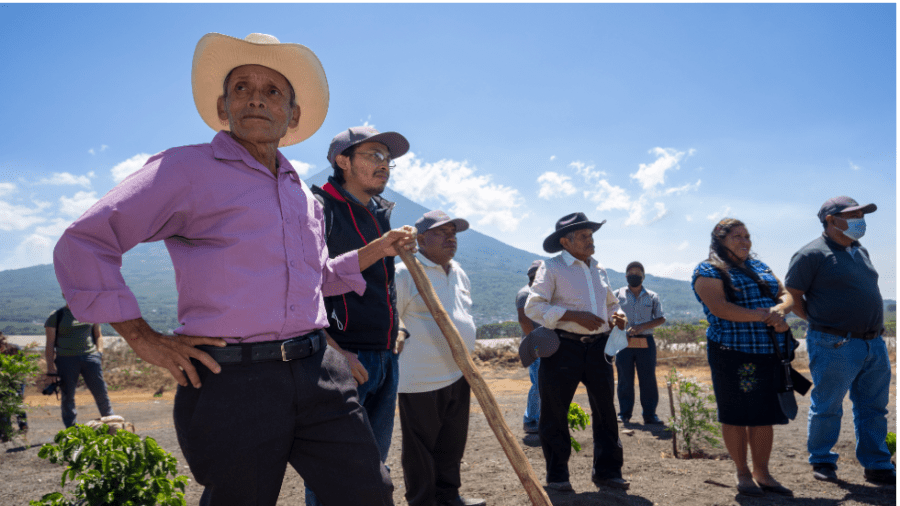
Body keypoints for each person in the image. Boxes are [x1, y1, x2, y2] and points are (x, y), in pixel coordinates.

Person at [52, 32, 416, 506]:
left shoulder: (300, 193)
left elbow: (316, 276)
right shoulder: (185, 170)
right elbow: (85, 241)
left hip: (318, 370)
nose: (255, 100)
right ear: (223, 108)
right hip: (232, 381)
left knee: (369, 492)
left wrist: (380, 248)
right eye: (241, 88)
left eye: (272, 91)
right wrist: (143, 338)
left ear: (293, 115)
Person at [305, 125, 411, 506]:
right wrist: (334, 353)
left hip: (384, 357)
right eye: (375, 156)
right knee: (332, 472)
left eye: (389, 160)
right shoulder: (318, 208)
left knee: (371, 467)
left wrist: (397, 330)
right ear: (342, 161)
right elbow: (307, 284)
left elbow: (381, 285)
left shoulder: (378, 214)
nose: (385, 165)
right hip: (343, 357)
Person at [784, 196, 895, 485]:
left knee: (874, 407)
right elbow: (792, 296)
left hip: (873, 343)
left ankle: (877, 464)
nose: (861, 220)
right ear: (831, 220)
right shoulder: (811, 255)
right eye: (854, 215)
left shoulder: (860, 251)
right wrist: (822, 323)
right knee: (828, 405)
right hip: (834, 343)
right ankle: (822, 460)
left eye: (862, 214)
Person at [524, 212, 629, 492]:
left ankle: (608, 473)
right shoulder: (552, 267)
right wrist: (573, 315)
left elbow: (611, 305)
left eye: (591, 235)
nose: (590, 240)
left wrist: (617, 316)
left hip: (599, 349)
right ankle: (558, 477)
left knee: (606, 411)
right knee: (554, 413)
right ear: (565, 242)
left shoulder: (598, 268)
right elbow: (533, 307)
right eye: (584, 236)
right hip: (562, 347)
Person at [691, 218, 795, 497]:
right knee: (736, 415)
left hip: (767, 352)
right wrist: (766, 316)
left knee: (764, 416)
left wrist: (781, 311)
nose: (744, 241)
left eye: (747, 236)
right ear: (720, 241)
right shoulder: (708, 270)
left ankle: (763, 473)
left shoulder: (760, 267)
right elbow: (721, 308)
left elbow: (785, 294)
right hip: (732, 354)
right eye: (736, 236)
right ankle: (742, 473)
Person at [395, 210, 486, 506]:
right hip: (419, 377)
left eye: (454, 233)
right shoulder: (405, 271)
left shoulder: (458, 271)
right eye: (442, 232)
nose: (451, 238)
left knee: (452, 442)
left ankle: (449, 497)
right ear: (420, 239)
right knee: (421, 447)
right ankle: (422, 502)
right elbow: (391, 319)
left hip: (460, 373)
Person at [43, 302, 113, 428]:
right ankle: (71, 429)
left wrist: (99, 353)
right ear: (65, 295)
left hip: (91, 358)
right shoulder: (56, 316)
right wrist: (51, 369)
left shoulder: (91, 312)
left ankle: (112, 424)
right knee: (68, 396)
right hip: (65, 360)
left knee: (101, 392)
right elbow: (49, 344)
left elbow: (98, 335)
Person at [613, 261, 666, 425]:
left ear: (643, 276)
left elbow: (661, 318)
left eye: (637, 272)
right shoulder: (616, 295)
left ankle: (650, 415)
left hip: (646, 342)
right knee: (624, 379)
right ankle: (624, 414)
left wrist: (642, 326)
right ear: (626, 276)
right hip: (623, 342)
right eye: (630, 272)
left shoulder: (652, 296)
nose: (634, 275)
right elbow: (610, 316)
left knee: (648, 379)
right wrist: (623, 330)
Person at [516, 260, 543, 435]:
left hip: (544, 345)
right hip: (535, 346)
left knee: (543, 384)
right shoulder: (525, 294)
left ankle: (541, 418)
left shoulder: (541, 293)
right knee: (538, 384)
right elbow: (524, 321)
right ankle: (531, 420)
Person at [0, 332, 28, 440]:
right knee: (3, 404)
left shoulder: (14, 349)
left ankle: (23, 426)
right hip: (2, 381)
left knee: (17, 402)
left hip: (17, 379)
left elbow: (23, 367)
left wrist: (19, 389)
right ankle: (6, 432)